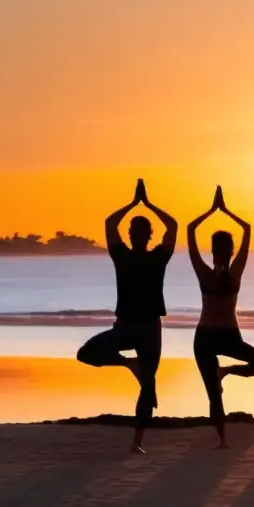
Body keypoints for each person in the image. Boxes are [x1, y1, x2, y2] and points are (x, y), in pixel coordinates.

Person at [76, 179, 177, 453]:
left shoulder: (157, 257)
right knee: (86, 353)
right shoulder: (123, 256)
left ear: (147, 235)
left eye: (139, 230)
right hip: (127, 327)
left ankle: (137, 443)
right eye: (134, 230)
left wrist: (142, 204)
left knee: (148, 387)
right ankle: (128, 364)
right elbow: (111, 224)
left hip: (148, 329)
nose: (136, 234)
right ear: (131, 235)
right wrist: (139, 204)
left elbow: (171, 227)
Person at [187, 186, 254, 449]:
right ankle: (222, 440)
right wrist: (223, 211)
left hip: (225, 337)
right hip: (207, 339)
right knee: (213, 393)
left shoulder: (220, 273)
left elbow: (191, 231)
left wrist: (214, 211)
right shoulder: (220, 272)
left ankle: (225, 371)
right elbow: (246, 229)